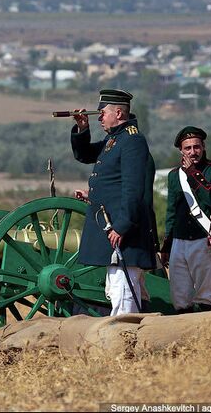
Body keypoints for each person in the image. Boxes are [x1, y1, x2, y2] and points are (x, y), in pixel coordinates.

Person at [71, 89, 158, 315]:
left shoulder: (132, 140)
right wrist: (82, 129)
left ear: (118, 112)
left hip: (125, 234)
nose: (99, 117)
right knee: (117, 290)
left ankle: (125, 343)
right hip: (115, 228)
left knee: (123, 295)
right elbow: (85, 155)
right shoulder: (116, 139)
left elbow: (133, 188)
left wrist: (122, 225)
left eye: (102, 113)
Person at [160, 126, 211, 314]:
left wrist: (194, 174)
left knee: (205, 297)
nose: (193, 152)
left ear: (203, 147)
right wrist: (166, 245)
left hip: (203, 239)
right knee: (180, 298)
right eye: (188, 148)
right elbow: (172, 211)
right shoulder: (175, 175)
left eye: (196, 147)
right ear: (181, 151)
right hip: (179, 241)